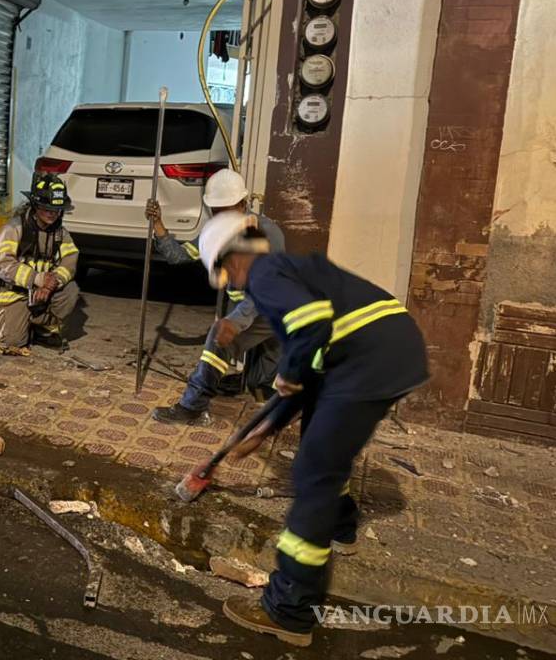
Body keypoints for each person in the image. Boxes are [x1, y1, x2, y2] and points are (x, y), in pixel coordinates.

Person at [196, 210, 429, 647]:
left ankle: (288, 610)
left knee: (312, 474)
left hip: (368, 361)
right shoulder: (288, 271)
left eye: (224, 272)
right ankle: (341, 526)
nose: (229, 282)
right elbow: (311, 368)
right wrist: (266, 428)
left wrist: (288, 371)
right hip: (386, 351)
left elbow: (308, 333)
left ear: (233, 258)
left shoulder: (265, 276)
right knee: (320, 441)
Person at [145, 169, 285, 424]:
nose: (219, 216)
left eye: (226, 209)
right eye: (215, 210)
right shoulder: (216, 230)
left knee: (221, 343)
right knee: (256, 379)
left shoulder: (267, 234)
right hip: (250, 307)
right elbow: (178, 256)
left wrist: (233, 323)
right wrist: (158, 226)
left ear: (243, 204)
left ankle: (193, 407)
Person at [0, 173, 80, 356]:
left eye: (56, 209)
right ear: (35, 205)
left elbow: (70, 260)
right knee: (12, 343)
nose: (52, 213)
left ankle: (43, 328)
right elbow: (3, 264)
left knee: (70, 291)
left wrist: (53, 282)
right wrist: (37, 279)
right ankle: (0, 317)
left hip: (42, 291)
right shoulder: (13, 229)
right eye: (47, 208)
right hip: (13, 292)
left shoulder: (60, 233)